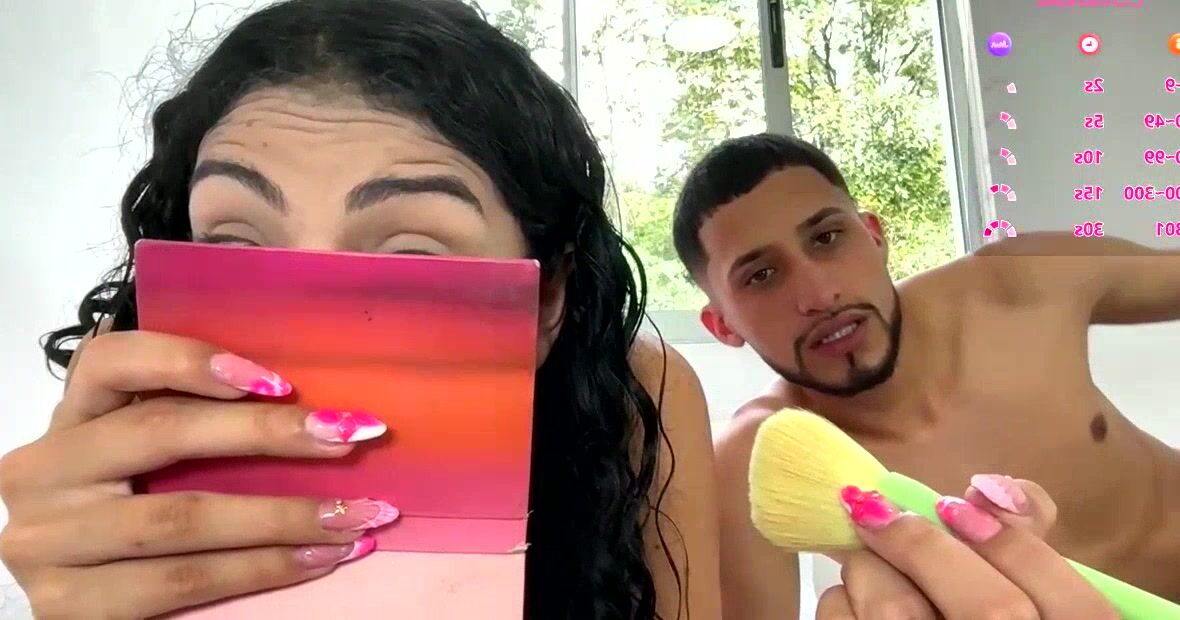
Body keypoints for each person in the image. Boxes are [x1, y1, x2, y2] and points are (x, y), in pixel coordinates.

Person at [0, 1, 725, 618]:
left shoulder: (640, 399)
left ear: (549, 301)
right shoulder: (137, 401)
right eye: (235, 243)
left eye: (412, 254)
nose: (308, 330)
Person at [671, 132, 1180, 617]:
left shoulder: (1018, 282)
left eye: (827, 238)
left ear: (874, 236)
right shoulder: (756, 457)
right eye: (761, 275)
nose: (820, 295)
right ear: (723, 325)